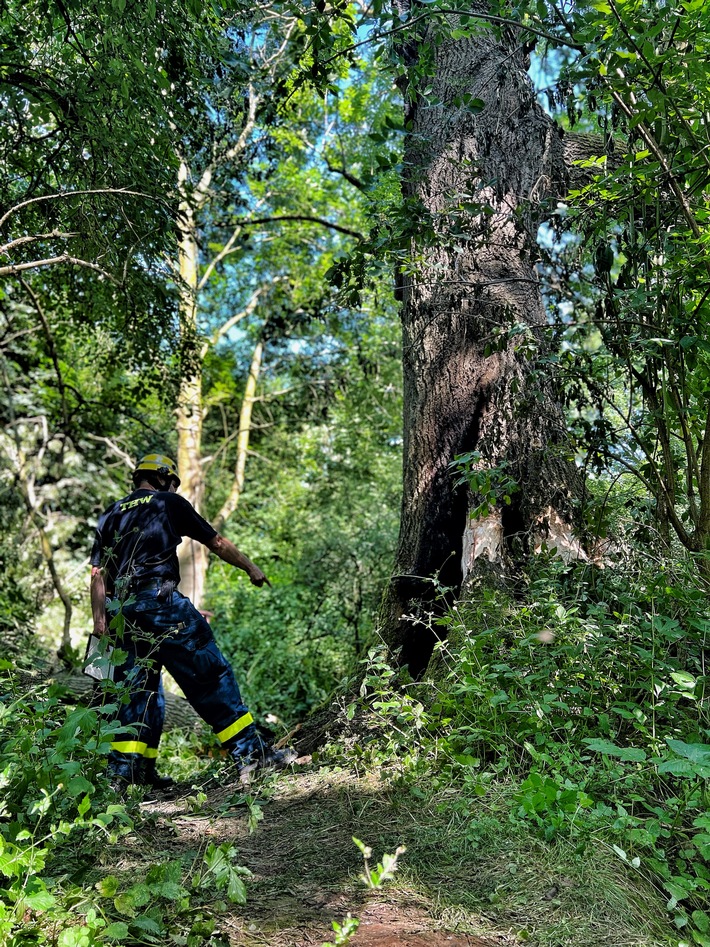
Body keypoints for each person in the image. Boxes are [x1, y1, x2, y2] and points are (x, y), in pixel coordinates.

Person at [89, 452, 295, 789]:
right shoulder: (168, 502)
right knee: (210, 677)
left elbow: (99, 574)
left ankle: (127, 775)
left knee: (137, 694)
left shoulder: (110, 515)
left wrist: (100, 623)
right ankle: (252, 755)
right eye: (170, 481)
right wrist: (250, 568)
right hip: (161, 604)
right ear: (164, 477)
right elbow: (215, 542)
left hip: (121, 613)